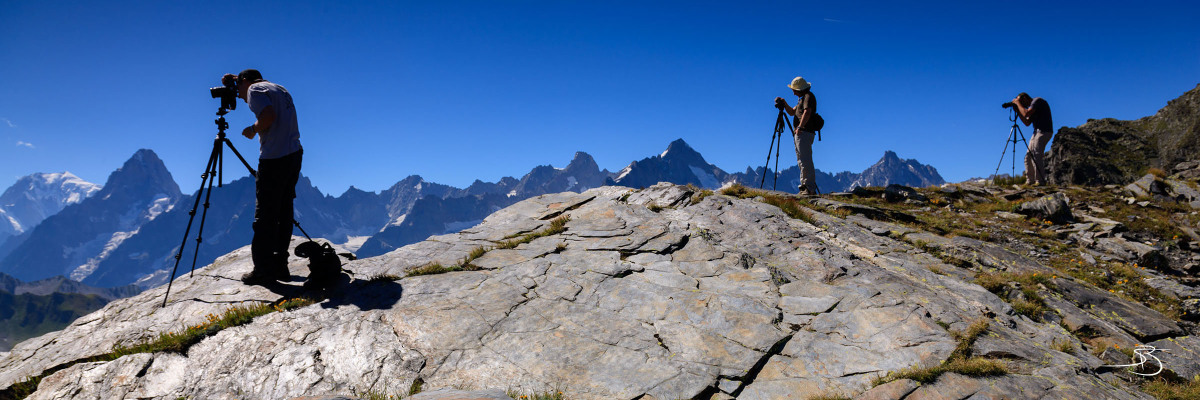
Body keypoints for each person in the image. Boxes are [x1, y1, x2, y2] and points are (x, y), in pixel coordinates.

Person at [221, 69, 303, 285]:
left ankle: (263, 270)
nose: (238, 94)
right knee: (284, 212)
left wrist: (253, 129)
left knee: (265, 217)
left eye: (238, 87)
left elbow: (268, 116)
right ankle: (280, 267)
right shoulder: (280, 88)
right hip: (294, 154)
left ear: (245, 81)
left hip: (274, 158)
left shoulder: (255, 90)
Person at [774, 76, 819, 195]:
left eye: (794, 90)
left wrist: (800, 127)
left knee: (805, 159)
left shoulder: (808, 97)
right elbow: (791, 112)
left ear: (799, 89)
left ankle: (809, 188)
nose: (793, 93)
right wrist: (784, 103)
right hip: (802, 133)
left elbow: (807, 112)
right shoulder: (802, 98)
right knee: (801, 160)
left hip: (804, 132)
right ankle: (805, 186)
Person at [1010, 92, 1053, 185]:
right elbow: (1027, 122)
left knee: (1037, 155)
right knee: (1028, 157)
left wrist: (1017, 103)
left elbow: (1026, 113)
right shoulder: (1032, 107)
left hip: (1044, 131)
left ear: (1025, 98)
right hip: (1037, 132)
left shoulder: (1037, 101)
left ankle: (1040, 181)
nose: (1022, 104)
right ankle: (1030, 181)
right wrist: (1018, 110)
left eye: (1021, 101)